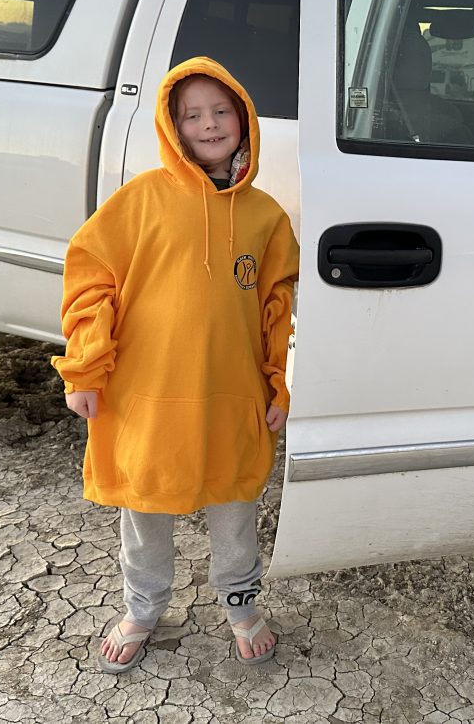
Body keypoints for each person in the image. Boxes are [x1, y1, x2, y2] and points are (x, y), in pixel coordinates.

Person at [51, 56, 299, 674]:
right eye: (192, 115)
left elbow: (277, 310)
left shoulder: (266, 216)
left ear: (244, 119)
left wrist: (278, 386)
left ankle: (241, 605)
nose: (209, 124)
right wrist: (85, 369)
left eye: (221, 111)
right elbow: (91, 279)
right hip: (149, 398)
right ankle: (143, 607)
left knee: (236, 507)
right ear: (172, 126)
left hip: (231, 397)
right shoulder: (142, 201)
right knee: (145, 507)